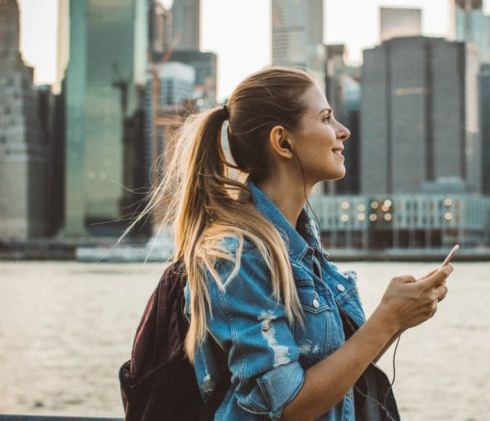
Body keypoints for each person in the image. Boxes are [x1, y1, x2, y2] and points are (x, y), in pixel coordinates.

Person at [129, 66, 452, 420]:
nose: (342, 131)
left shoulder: (299, 243)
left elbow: (330, 368)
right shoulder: (237, 256)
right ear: (282, 141)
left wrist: (398, 317)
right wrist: (386, 321)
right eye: (326, 118)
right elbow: (287, 408)